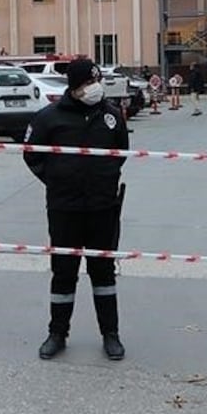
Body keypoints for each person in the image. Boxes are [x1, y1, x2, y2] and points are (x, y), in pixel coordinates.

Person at [22, 59, 129, 361]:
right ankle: (57, 333)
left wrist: (102, 179)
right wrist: (57, 180)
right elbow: (31, 155)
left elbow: (121, 152)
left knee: (103, 272)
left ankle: (111, 334)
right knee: (63, 273)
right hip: (64, 208)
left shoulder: (110, 116)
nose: (94, 88)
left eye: (96, 81)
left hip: (103, 207)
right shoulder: (49, 118)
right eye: (87, 83)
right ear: (74, 86)